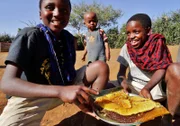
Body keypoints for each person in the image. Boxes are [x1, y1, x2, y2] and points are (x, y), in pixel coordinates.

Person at [0, 0, 109, 125]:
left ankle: (91, 119)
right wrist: (60, 91)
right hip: (31, 97)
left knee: (100, 67)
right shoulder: (29, 35)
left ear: (69, 15)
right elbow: (7, 83)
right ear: (40, 13)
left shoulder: (68, 38)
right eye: (50, 7)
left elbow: (68, 73)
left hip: (64, 86)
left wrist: (72, 93)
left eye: (64, 10)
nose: (57, 13)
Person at [117, 13, 180, 125]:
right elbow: (121, 73)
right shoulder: (127, 47)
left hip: (155, 89)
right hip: (134, 89)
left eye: (136, 32)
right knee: (105, 90)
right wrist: (123, 83)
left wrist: (147, 88)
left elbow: (161, 68)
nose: (131, 36)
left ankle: (168, 117)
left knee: (176, 69)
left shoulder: (157, 43)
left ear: (148, 31)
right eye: (128, 33)